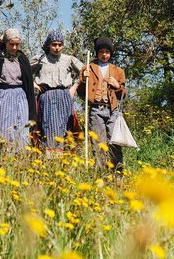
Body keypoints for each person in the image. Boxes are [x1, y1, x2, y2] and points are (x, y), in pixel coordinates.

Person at [0, 28, 37, 148]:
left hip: (21, 98)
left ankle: (20, 156)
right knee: (3, 131)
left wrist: (32, 114)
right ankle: (3, 155)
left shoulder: (22, 59)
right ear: (5, 43)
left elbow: (29, 86)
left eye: (17, 44)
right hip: (3, 97)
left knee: (21, 130)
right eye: (11, 44)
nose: (14, 47)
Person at [77, 37, 127, 174]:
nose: (104, 54)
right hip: (96, 110)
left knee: (115, 142)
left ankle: (118, 173)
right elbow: (81, 93)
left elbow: (123, 94)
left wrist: (117, 86)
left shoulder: (118, 71)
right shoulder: (88, 68)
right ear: (97, 52)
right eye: (101, 51)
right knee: (98, 144)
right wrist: (83, 80)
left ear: (111, 53)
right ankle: (101, 175)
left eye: (107, 52)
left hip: (113, 111)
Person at [30, 31, 84, 151]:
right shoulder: (40, 59)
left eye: (60, 45)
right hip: (47, 97)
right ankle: (50, 156)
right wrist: (34, 84)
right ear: (49, 45)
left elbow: (85, 72)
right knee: (47, 126)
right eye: (54, 44)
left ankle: (65, 155)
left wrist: (74, 88)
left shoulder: (68, 59)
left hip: (64, 96)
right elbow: (23, 71)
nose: (57, 48)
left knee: (65, 126)